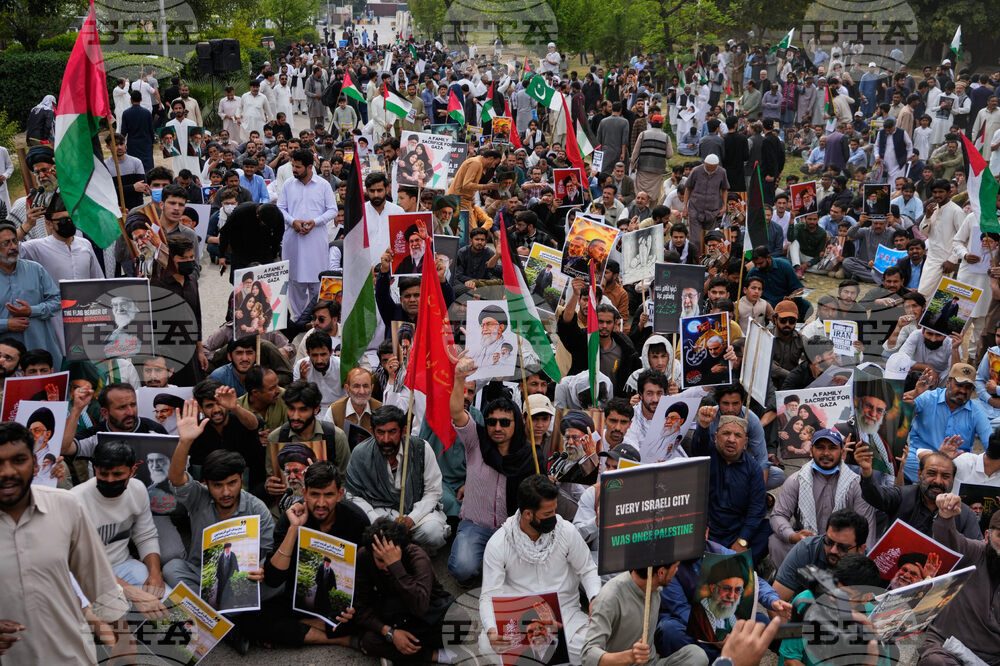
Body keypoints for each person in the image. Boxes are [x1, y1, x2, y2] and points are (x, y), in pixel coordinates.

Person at [0, 422, 130, 663]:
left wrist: (124, 642)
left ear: (36, 463)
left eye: (18, 460)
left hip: (70, 656)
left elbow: (99, 581)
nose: (7, 471)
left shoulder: (65, 506)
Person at [480, 475, 601, 665]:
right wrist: (492, 630)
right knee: (485, 643)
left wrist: (594, 597)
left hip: (565, 616)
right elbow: (488, 594)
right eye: (547, 514)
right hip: (521, 622)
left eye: (554, 511)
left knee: (594, 646)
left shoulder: (566, 531)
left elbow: (587, 569)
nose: (554, 517)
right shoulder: (499, 543)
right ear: (528, 514)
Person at [256, 461, 366, 647]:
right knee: (252, 618)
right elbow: (274, 579)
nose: (321, 503)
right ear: (304, 493)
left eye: (328, 495)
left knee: (371, 616)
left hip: (340, 609)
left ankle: (300, 631)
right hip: (296, 603)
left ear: (340, 494)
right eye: (314, 495)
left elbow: (366, 576)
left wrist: (356, 607)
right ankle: (336, 637)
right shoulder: (292, 517)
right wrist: (294, 529)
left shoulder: (356, 520)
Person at [447, 355, 536, 584]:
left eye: (505, 422)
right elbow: (457, 413)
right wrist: (459, 378)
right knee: (462, 570)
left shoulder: (529, 455)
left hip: (512, 530)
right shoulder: (476, 440)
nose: (497, 427)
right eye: (492, 421)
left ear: (516, 423)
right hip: (475, 526)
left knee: (528, 574)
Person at [344, 405, 450, 554]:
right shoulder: (361, 453)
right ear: (372, 431)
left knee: (433, 533)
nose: (386, 439)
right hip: (379, 512)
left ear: (403, 431)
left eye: (392, 432)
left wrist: (412, 519)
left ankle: (415, 553)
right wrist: (376, 520)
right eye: (380, 432)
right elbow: (352, 495)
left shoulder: (421, 449)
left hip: (415, 511)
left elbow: (433, 491)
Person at [353, 517, 460, 663]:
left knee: (459, 625)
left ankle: (400, 654)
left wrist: (396, 566)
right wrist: (390, 633)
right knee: (368, 641)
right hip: (393, 618)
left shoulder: (417, 556)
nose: (386, 566)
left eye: (390, 559)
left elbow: (420, 607)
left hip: (426, 613)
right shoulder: (364, 556)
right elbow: (360, 606)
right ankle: (433, 655)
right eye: (381, 560)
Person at [768, 428, 876, 567]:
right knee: (776, 541)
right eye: (820, 448)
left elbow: (866, 527)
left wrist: (861, 560)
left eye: (832, 448)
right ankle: (791, 581)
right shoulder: (796, 480)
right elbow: (778, 515)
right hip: (806, 544)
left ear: (842, 453)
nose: (826, 453)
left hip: (841, 548)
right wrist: (794, 536)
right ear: (811, 451)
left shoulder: (856, 484)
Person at [918, 493, 1000, 665]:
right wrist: (945, 516)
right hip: (946, 646)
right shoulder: (976, 552)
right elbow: (949, 541)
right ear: (987, 536)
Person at [856, 435, 982, 540]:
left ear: (953, 479)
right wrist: (867, 472)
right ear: (919, 474)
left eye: (945, 476)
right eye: (931, 474)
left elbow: (974, 550)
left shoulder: (964, 514)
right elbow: (874, 496)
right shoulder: (903, 496)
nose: (938, 481)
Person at [583, 564, 710, 666]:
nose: (677, 571)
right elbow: (587, 655)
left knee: (697, 655)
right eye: (675, 567)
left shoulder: (656, 590)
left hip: (651, 663)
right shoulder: (610, 597)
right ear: (661, 572)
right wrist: (630, 656)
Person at [688, 411, 770, 563]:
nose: (731, 439)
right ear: (716, 436)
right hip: (706, 531)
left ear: (745, 442)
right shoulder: (706, 457)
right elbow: (698, 447)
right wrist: (704, 426)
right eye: (726, 433)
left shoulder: (753, 469)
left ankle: (738, 562)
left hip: (736, 533)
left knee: (768, 529)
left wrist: (742, 540)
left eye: (737, 436)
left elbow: (757, 509)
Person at [903, 364, 992, 482]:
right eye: (959, 385)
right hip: (920, 458)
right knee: (903, 459)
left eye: (968, 387)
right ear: (948, 383)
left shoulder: (976, 412)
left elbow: (990, 442)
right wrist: (915, 394)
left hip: (954, 464)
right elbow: (896, 413)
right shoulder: (928, 397)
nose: (963, 391)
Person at [278, 149, 338, 318]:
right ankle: (298, 319)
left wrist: (315, 222)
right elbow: (281, 209)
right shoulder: (289, 185)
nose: (294, 170)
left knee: (316, 281)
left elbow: (332, 210)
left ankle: (316, 319)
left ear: (309, 167)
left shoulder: (323, 185)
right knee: (295, 282)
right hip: (293, 240)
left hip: (315, 241)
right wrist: (293, 222)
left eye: (297, 167)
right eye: (293, 166)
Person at [772, 509, 871, 601]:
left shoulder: (870, 563)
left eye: (843, 547)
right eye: (829, 542)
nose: (833, 550)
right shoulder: (807, 549)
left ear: (861, 549)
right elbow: (776, 602)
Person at [0, 223, 62, 369]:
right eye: (6, 243)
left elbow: (57, 301)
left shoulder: (35, 269)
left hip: (41, 352)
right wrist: (6, 324)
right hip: (5, 363)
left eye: (15, 241)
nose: (13, 247)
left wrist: (32, 311)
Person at [683, 154, 728, 254]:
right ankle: (694, 262)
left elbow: (724, 189)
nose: (710, 171)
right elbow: (688, 188)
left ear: (717, 166)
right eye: (708, 168)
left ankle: (706, 263)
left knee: (709, 239)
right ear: (704, 164)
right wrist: (685, 207)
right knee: (696, 240)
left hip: (712, 211)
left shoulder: (722, 172)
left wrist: (724, 206)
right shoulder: (696, 171)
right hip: (695, 209)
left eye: (713, 169)